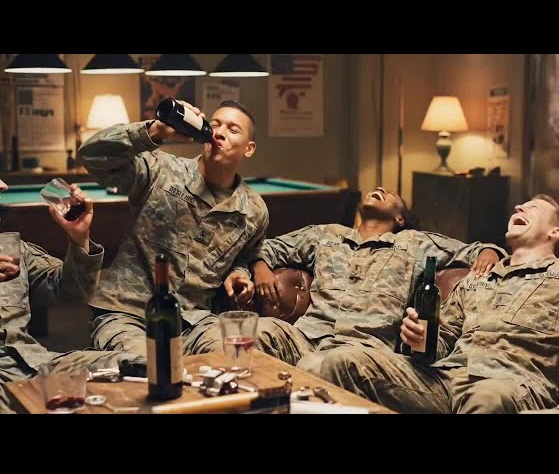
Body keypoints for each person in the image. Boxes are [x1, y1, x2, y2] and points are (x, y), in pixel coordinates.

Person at [321, 194, 559, 414]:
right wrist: (421, 339)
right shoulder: (476, 280)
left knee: (485, 398)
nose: (519, 206)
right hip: (445, 380)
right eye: (521, 205)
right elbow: (441, 341)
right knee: (342, 361)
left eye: (532, 208)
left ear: (555, 232)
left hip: (511, 385)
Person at [192, 186, 506, 376]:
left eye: (390, 194)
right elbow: (266, 248)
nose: (379, 188)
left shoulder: (414, 242)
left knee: (327, 365)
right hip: (306, 338)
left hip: (364, 348)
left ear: (399, 218)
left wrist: (490, 251)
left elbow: (476, 249)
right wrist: (258, 268)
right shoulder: (326, 234)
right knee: (248, 333)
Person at [78, 99, 268, 357]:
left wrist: (239, 274)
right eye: (215, 124)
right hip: (130, 313)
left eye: (233, 129)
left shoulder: (254, 210)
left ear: (249, 149)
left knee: (231, 357)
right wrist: (156, 130)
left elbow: (245, 256)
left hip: (193, 321)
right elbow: (92, 155)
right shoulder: (160, 170)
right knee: (148, 367)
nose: (220, 132)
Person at [0, 179, 140, 414]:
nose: (3, 186)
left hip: (33, 363)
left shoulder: (13, 249)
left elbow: (71, 293)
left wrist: (79, 238)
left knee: (137, 367)